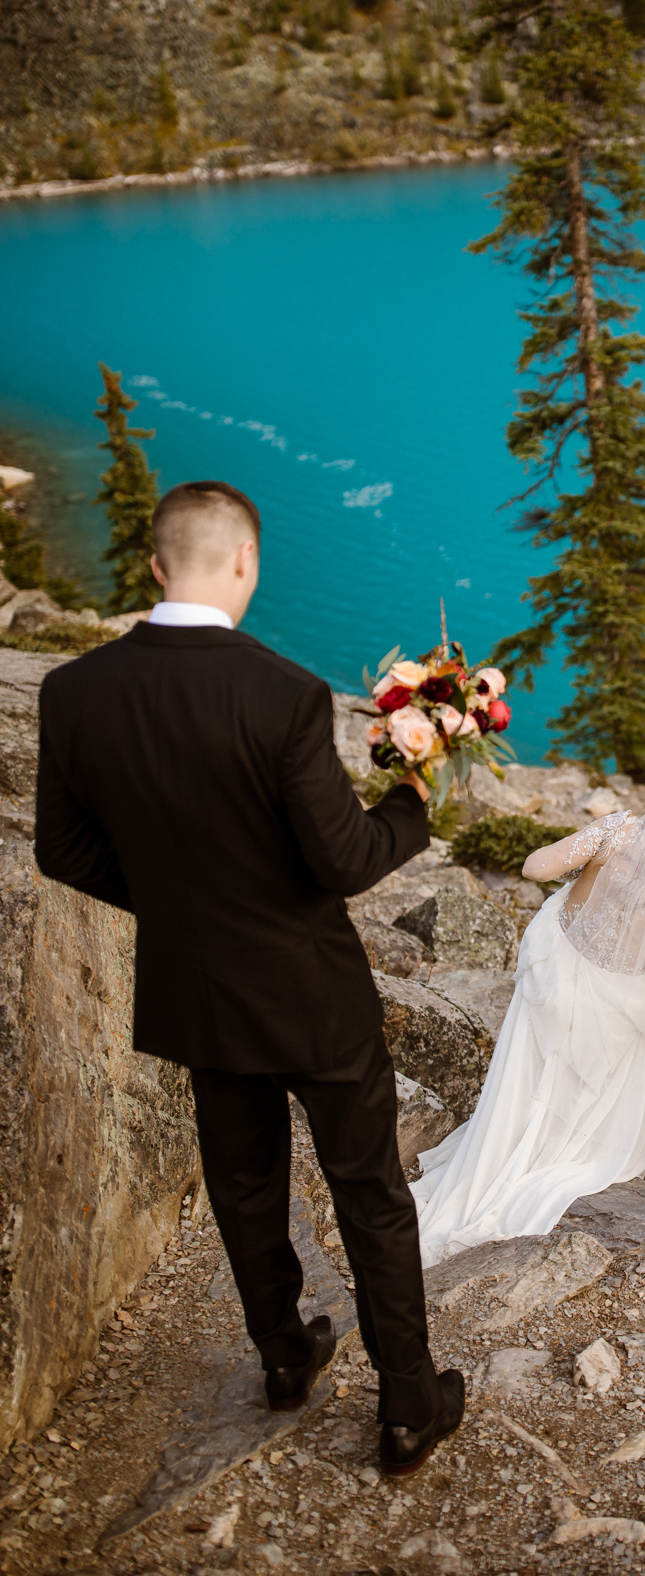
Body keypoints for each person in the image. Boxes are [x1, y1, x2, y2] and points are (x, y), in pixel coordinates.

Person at [34, 479, 463, 1479]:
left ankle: (283, 1357)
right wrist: (412, 803)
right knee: (368, 1191)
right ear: (245, 565)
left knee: (243, 1183)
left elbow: (64, 852)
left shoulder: (75, 692)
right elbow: (344, 859)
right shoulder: (283, 694)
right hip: (311, 995)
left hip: (199, 988)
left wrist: (181, 903)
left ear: (153, 565)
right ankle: (407, 1410)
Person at [410, 772, 645, 1266]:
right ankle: (531, 1165)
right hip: (612, 1013)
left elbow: (534, 869)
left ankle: (502, 1152)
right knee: (597, 1129)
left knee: (531, 1081)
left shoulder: (617, 829)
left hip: (554, 972)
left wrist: (590, 875)